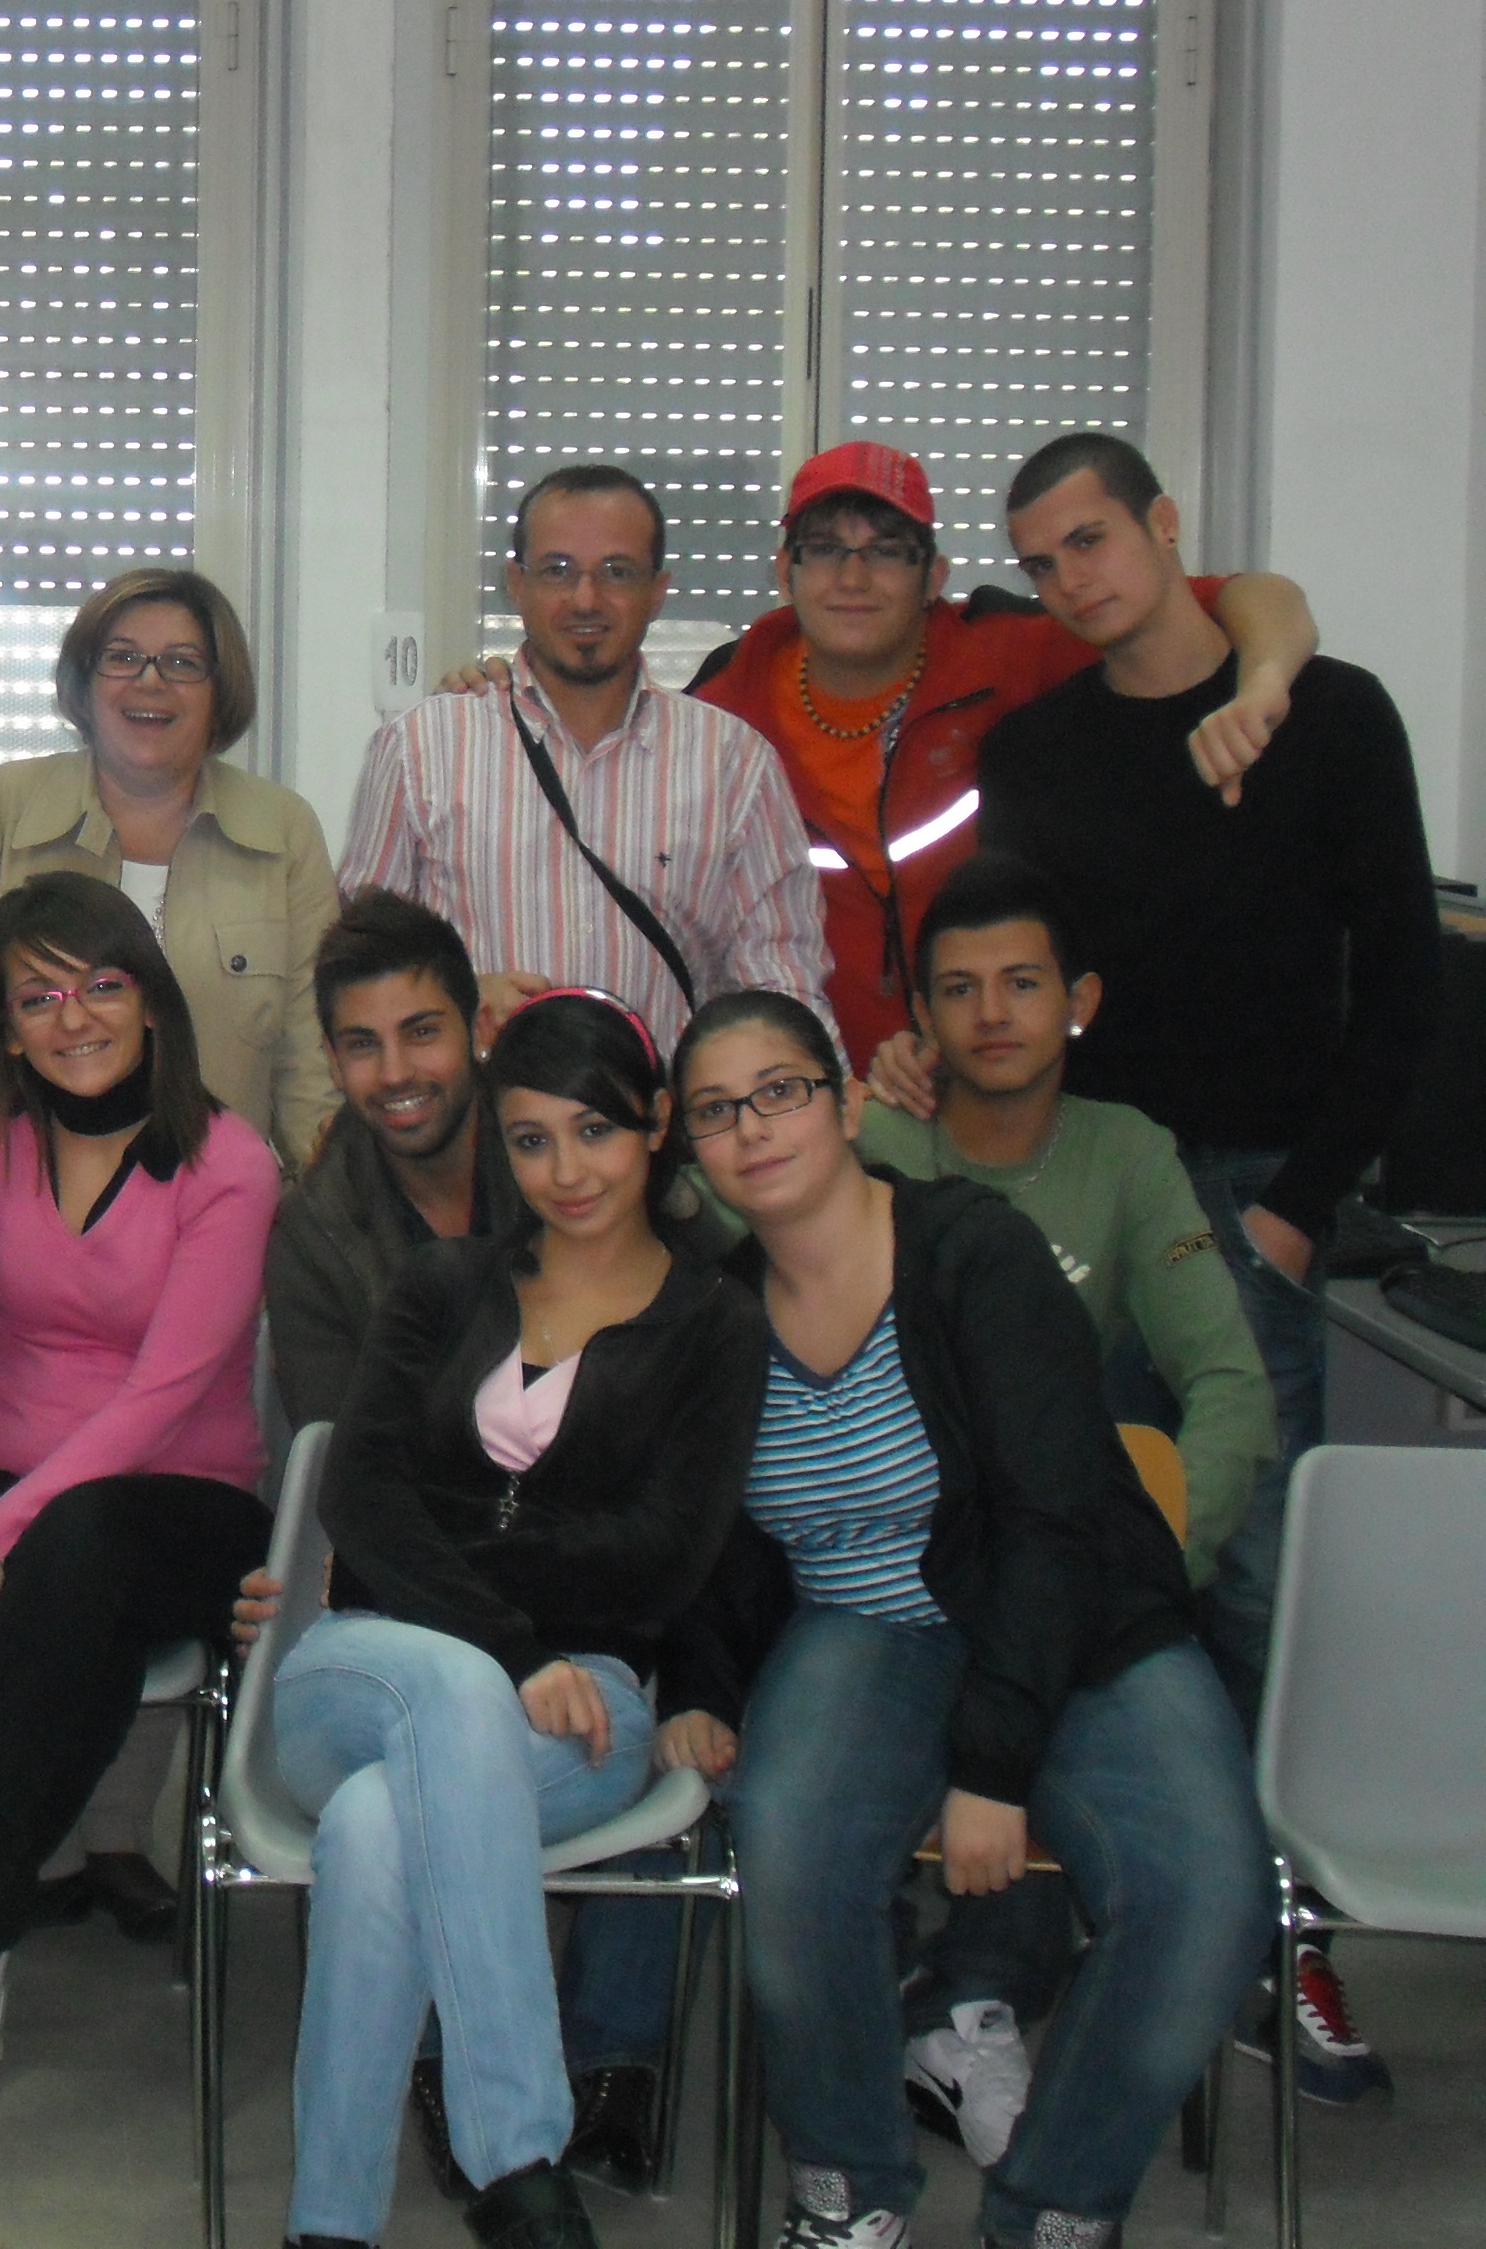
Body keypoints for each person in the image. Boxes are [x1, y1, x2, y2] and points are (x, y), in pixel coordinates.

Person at [972, 430, 1435, 2107]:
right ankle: (1102, 1913)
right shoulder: (1034, 749)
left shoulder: (1326, 715)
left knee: (1247, 1570)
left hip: (1247, 1204)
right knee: (1076, 1548)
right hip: (1085, 1194)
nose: (1069, 580)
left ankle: (1272, 1939)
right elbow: (1007, 973)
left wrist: (1302, 1207)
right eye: (1040, 562)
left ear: (1167, 527)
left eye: (1090, 540)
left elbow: (1401, 980)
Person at [659, 991, 1264, 2249]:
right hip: (866, 1627)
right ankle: (849, 2192)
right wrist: (701, 1685)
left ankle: (1052, 2211)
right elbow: (718, 1549)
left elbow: (1052, 1519)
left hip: (1077, 1622)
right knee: (793, 1853)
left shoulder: (974, 1252)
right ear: (692, 1146)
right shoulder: (716, 1318)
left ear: (846, 1102)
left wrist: (993, 1767)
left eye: (780, 1091)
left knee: (1208, 1899)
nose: (752, 1129)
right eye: (716, 1111)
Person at [263, 989, 763, 2249]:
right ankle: (521, 2162)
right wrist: (510, 1642)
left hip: (587, 1702)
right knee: (453, 1691)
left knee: (379, 1829)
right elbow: (361, 1494)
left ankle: (328, 2228)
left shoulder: (715, 1324)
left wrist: (477, 1586)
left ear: (656, 1124)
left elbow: (665, 1555)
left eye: (595, 1131)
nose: (566, 1171)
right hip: (366, 1670)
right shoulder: (442, 1285)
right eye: (533, 1140)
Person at [855, 851, 1279, 2167]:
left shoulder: (1127, 1154)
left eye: (1023, 984)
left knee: (1213, 1887)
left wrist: (1158, 1561)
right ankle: (955, 1998)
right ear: (920, 1017)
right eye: (959, 990)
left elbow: (1230, 1385)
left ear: (1078, 1001)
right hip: (890, 1579)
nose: (992, 1014)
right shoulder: (871, 1145)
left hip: (1067, 1566)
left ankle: (1044, 2170)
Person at [0, 875, 277, 2095]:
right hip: (8, 1488)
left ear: (150, 1000)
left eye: (101, 984)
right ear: (3, 1028)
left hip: (184, 1502)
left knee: (81, 1542)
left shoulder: (230, 1162)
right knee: (74, 1613)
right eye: (37, 998)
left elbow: (163, 1393)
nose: (74, 1017)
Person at [685, 441, 1313, 1071]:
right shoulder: (725, 713)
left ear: (934, 578)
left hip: (995, 1084)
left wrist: (1264, 685)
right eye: (824, 550)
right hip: (809, 1088)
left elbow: (1252, 599)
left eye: (888, 551)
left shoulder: (1007, 656)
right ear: (784, 571)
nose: (853, 579)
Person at [341, 463, 832, 1057]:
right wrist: (458, 996)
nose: (585, 599)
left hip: (661, 1108)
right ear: (516, 584)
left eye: (617, 572)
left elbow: (783, 983)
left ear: (657, 591)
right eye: (558, 570)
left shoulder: (733, 763)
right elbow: (360, 965)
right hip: (479, 1109)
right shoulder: (422, 748)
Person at [0, 566, 337, 1172]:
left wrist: (328, 1198)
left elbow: (310, 1061)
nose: (150, 681)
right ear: (84, 680)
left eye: (182, 663)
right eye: (123, 658)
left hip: (222, 1198)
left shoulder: (284, 831)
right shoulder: (0, 809)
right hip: (23, 1195)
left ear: (221, 690)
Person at [266, 888, 523, 1428]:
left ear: (477, 1029)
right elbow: (345, 1451)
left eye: (422, 1032)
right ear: (333, 1062)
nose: (395, 1073)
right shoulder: (312, 1235)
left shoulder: (553, 1156)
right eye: (363, 1045)